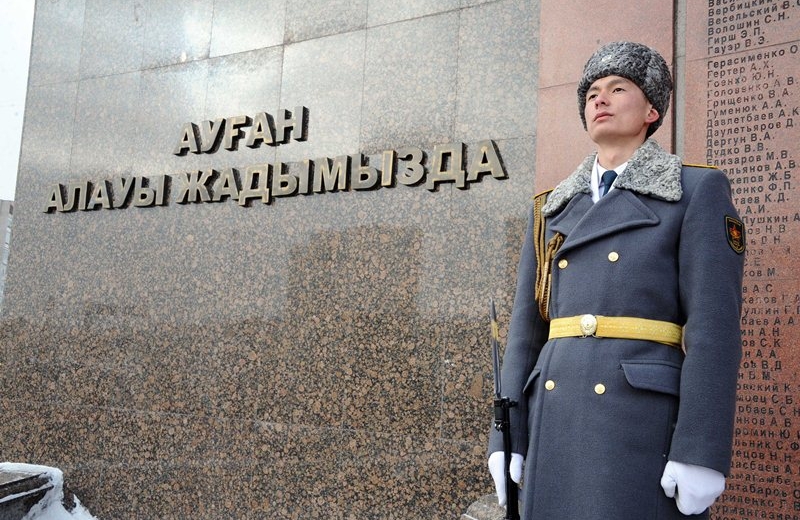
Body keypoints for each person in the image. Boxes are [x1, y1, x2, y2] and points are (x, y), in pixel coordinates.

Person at [487, 41, 745, 519]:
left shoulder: (693, 190)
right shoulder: (551, 207)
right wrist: (506, 437)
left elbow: (714, 329)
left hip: (639, 421)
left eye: (618, 88)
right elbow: (526, 332)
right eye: (591, 94)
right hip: (555, 417)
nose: (599, 99)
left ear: (652, 110)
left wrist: (700, 450)